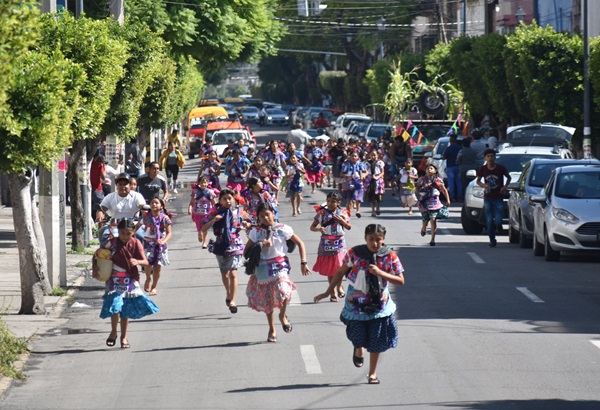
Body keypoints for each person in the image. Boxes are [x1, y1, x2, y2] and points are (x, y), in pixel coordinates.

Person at [313, 224, 405, 384]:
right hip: (356, 304)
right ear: (365, 238)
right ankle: (358, 348)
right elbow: (341, 272)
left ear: (383, 240)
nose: (375, 244)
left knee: (377, 339)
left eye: (378, 240)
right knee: (357, 336)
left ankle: (372, 373)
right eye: (371, 240)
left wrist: (381, 273)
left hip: (379, 305)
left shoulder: (390, 256)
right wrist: (328, 291)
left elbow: (401, 280)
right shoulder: (354, 253)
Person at [244, 203, 311, 343]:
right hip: (263, 269)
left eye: (267, 214)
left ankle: (282, 315)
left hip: (280, 265)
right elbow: (246, 252)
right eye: (261, 216)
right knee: (267, 301)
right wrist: (262, 245)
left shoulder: (283, 229)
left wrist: (303, 262)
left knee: (284, 291)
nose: (265, 218)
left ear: (273, 213)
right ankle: (272, 329)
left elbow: (300, 243)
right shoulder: (256, 232)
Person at [93, 218, 159, 349]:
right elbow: (97, 254)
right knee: (115, 306)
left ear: (133, 232)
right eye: (122, 233)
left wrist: (137, 262)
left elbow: (146, 261)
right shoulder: (111, 244)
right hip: (113, 279)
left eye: (128, 234)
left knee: (125, 311)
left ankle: (123, 337)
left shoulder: (136, 244)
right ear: (118, 231)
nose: (125, 236)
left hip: (130, 280)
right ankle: (113, 331)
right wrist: (96, 269)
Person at [202, 188, 249, 314]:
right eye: (225, 199)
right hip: (221, 245)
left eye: (230, 198)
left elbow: (250, 223)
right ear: (220, 200)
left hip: (235, 244)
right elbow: (203, 227)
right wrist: (213, 220)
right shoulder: (215, 212)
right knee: (224, 273)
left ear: (233, 199)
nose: (228, 201)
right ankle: (228, 292)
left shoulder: (239, 212)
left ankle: (233, 300)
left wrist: (247, 224)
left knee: (233, 273)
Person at [310, 192, 351, 302]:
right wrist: (319, 229)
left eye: (333, 201)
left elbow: (348, 227)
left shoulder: (343, 213)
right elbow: (312, 227)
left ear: (338, 203)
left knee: (340, 266)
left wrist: (342, 221)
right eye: (328, 201)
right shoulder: (321, 213)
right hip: (326, 242)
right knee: (330, 269)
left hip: (339, 243)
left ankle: (339, 286)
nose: (330, 203)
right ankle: (332, 292)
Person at [97, 173, 147, 245]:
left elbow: (142, 207)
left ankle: (141, 255)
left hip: (133, 225)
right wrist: (100, 213)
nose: (122, 186)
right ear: (116, 186)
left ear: (129, 185)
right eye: (120, 184)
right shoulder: (110, 196)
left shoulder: (137, 196)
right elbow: (102, 208)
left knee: (141, 237)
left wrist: (144, 211)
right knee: (104, 238)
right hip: (114, 225)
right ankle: (104, 256)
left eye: (125, 184)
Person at [135, 197, 172, 296]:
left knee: (157, 267)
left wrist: (163, 241)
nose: (154, 205)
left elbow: (169, 233)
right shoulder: (146, 217)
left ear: (161, 206)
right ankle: (148, 278)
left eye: (156, 203)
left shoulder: (165, 218)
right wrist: (132, 234)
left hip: (160, 246)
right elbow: (138, 225)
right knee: (148, 264)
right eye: (152, 203)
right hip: (148, 244)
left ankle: (154, 286)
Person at [476, 148, 511, 248]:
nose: (490, 158)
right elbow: (478, 180)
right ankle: (492, 240)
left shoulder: (500, 168)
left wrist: (505, 187)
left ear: (495, 157)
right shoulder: (482, 169)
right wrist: (484, 185)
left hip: (498, 197)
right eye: (488, 156)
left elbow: (509, 177)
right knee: (489, 221)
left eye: (492, 156)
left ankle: (499, 225)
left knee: (498, 218)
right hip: (488, 197)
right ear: (485, 158)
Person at [416, 164, 451, 246]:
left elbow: (444, 190)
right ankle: (424, 228)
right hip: (425, 203)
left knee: (433, 219)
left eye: (431, 168)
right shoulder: (422, 179)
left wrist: (448, 200)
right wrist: (423, 188)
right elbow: (417, 189)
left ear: (435, 171)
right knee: (425, 219)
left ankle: (432, 239)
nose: (429, 170)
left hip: (435, 202)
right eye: (427, 168)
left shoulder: (438, 180)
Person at [189, 176, 218, 249]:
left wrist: (217, 210)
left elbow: (214, 203)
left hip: (207, 213)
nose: (203, 184)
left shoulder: (210, 192)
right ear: (199, 183)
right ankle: (199, 233)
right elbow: (192, 202)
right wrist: (189, 209)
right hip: (197, 213)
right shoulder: (195, 192)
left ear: (207, 183)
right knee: (199, 228)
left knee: (204, 228)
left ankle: (204, 242)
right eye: (201, 183)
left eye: (205, 182)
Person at [341, 151, 368, 218]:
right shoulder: (346, 164)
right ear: (349, 157)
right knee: (349, 199)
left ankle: (358, 211)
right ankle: (348, 213)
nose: (354, 157)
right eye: (352, 156)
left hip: (358, 182)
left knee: (358, 198)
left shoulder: (360, 164)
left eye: (355, 156)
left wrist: (363, 175)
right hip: (349, 183)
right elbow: (341, 173)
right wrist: (348, 176)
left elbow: (366, 171)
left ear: (358, 157)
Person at [365, 150, 386, 217]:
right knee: (371, 195)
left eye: (374, 155)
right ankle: (373, 210)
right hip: (370, 179)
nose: (373, 156)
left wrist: (378, 177)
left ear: (377, 155)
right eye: (372, 155)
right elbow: (365, 171)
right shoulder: (367, 163)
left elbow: (382, 172)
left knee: (378, 195)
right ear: (369, 155)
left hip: (378, 179)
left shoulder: (380, 162)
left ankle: (378, 207)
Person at [442, 134, 463, 201]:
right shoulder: (460, 147)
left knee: (451, 183)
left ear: (451, 140)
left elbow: (444, 157)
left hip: (450, 167)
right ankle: (459, 196)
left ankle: (452, 196)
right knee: (459, 182)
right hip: (458, 167)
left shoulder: (449, 148)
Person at [90, 153, 106, 223]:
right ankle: (100, 223)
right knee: (101, 207)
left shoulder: (90, 164)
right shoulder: (99, 165)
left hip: (90, 187)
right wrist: (103, 168)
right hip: (97, 188)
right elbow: (104, 177)